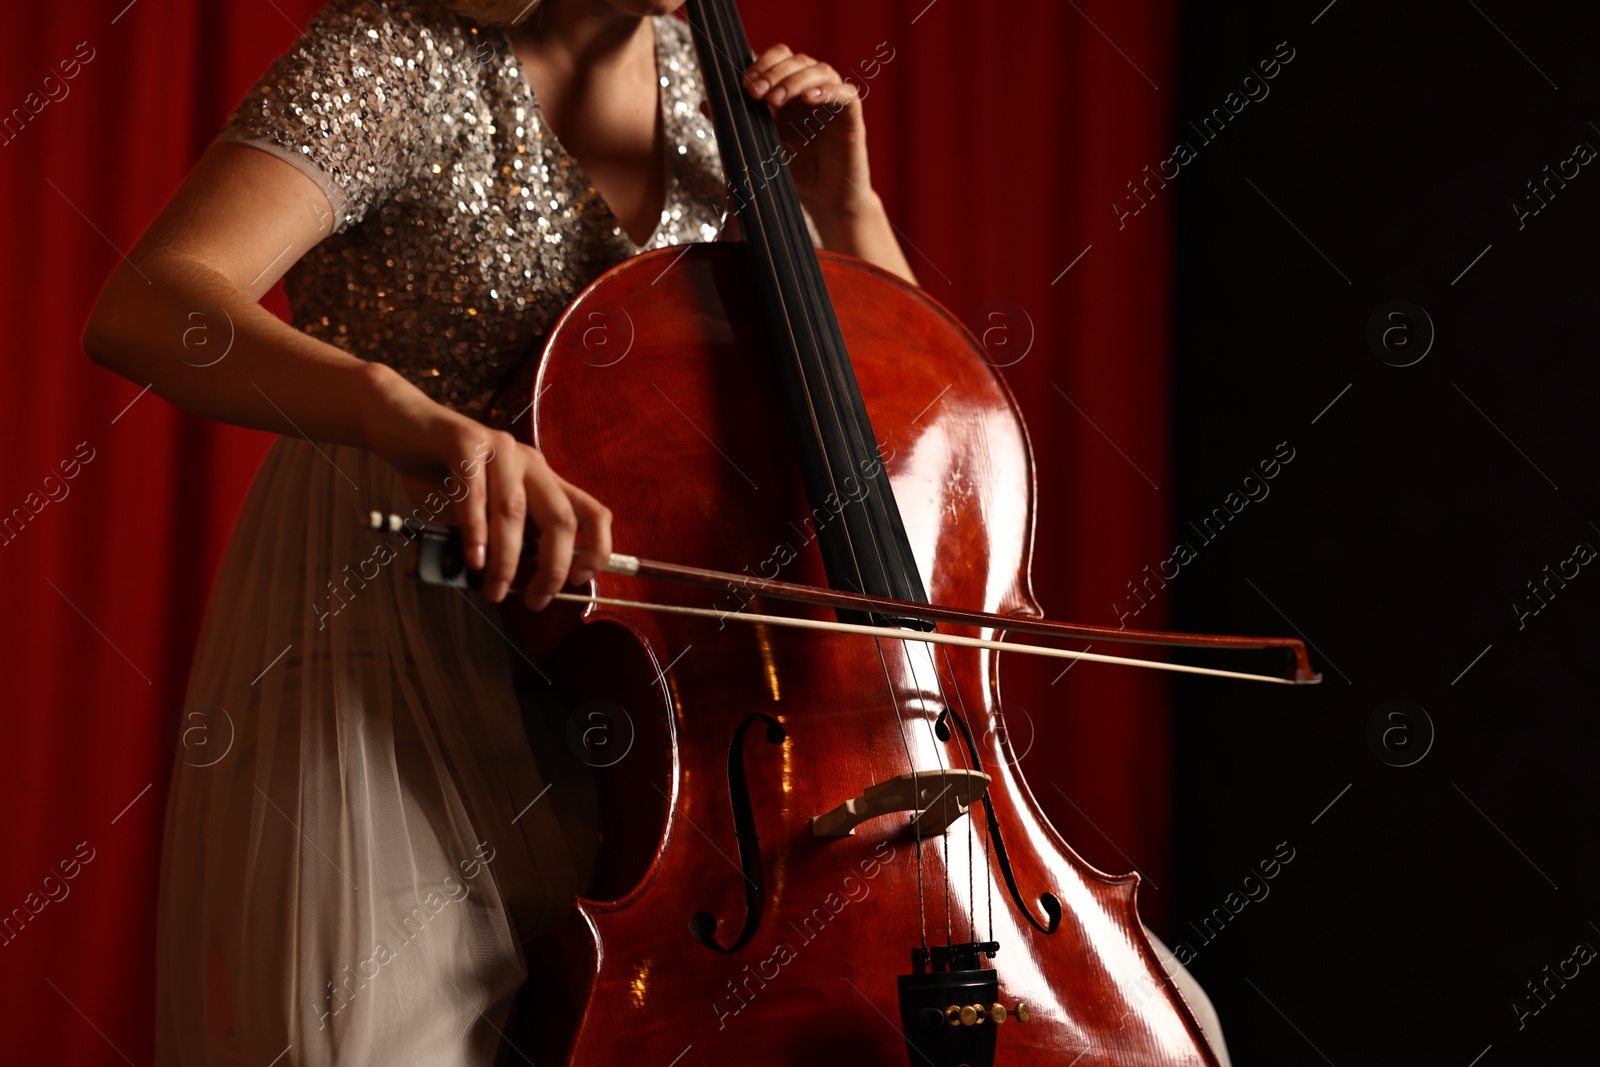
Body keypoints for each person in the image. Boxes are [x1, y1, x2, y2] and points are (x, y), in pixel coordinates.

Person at [83, 1, 1227, 1063]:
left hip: (669, 675)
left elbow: (917, 420)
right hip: (408, 615)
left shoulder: (712, 83)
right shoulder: (390, 59)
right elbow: (150, 304)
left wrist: (843, 212)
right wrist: (403, 413)